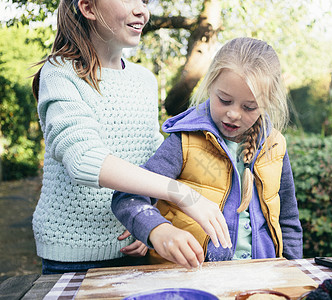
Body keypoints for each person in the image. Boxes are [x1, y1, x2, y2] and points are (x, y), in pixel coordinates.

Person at [32, 0, 231, 274]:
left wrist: (148, 223)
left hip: (138, 250)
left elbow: (153, 162)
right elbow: (83, 159)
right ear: (88, 8)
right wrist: (184, 194)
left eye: (145, 1)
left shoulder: (145, 80)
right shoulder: (59, 72)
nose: (142, 10)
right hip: (74, 259)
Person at [112, 37, 303, 263]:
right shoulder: (184, 141)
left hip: (260, 277)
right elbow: (128, 197)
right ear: (210, 85)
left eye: (249, 107)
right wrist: (154, 229)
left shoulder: (275, 146)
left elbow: (288, 220)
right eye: (224, 100)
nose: (233, 114)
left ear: (268, 102)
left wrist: (294, 269)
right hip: (191, 277)